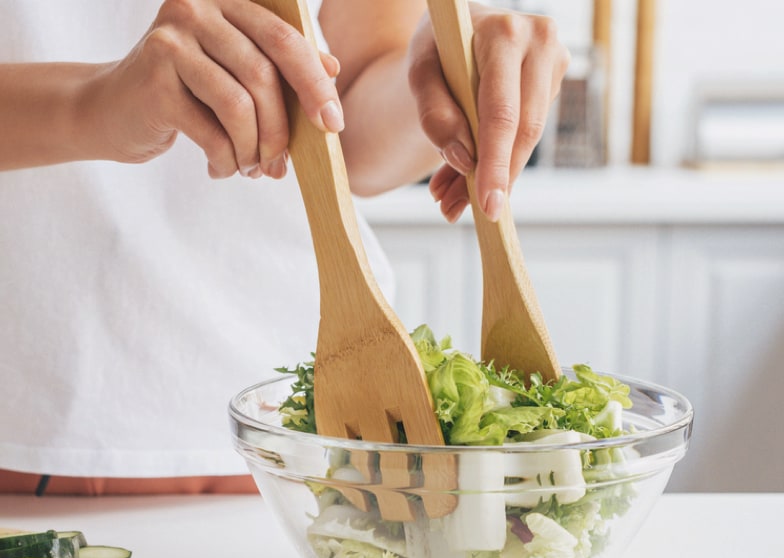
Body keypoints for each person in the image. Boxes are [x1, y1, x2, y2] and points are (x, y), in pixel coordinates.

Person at [0, 0, 569, 495]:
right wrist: (90, 103)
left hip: (312, 434)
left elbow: (350, 129)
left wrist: (440, 64)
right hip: (29, 423)